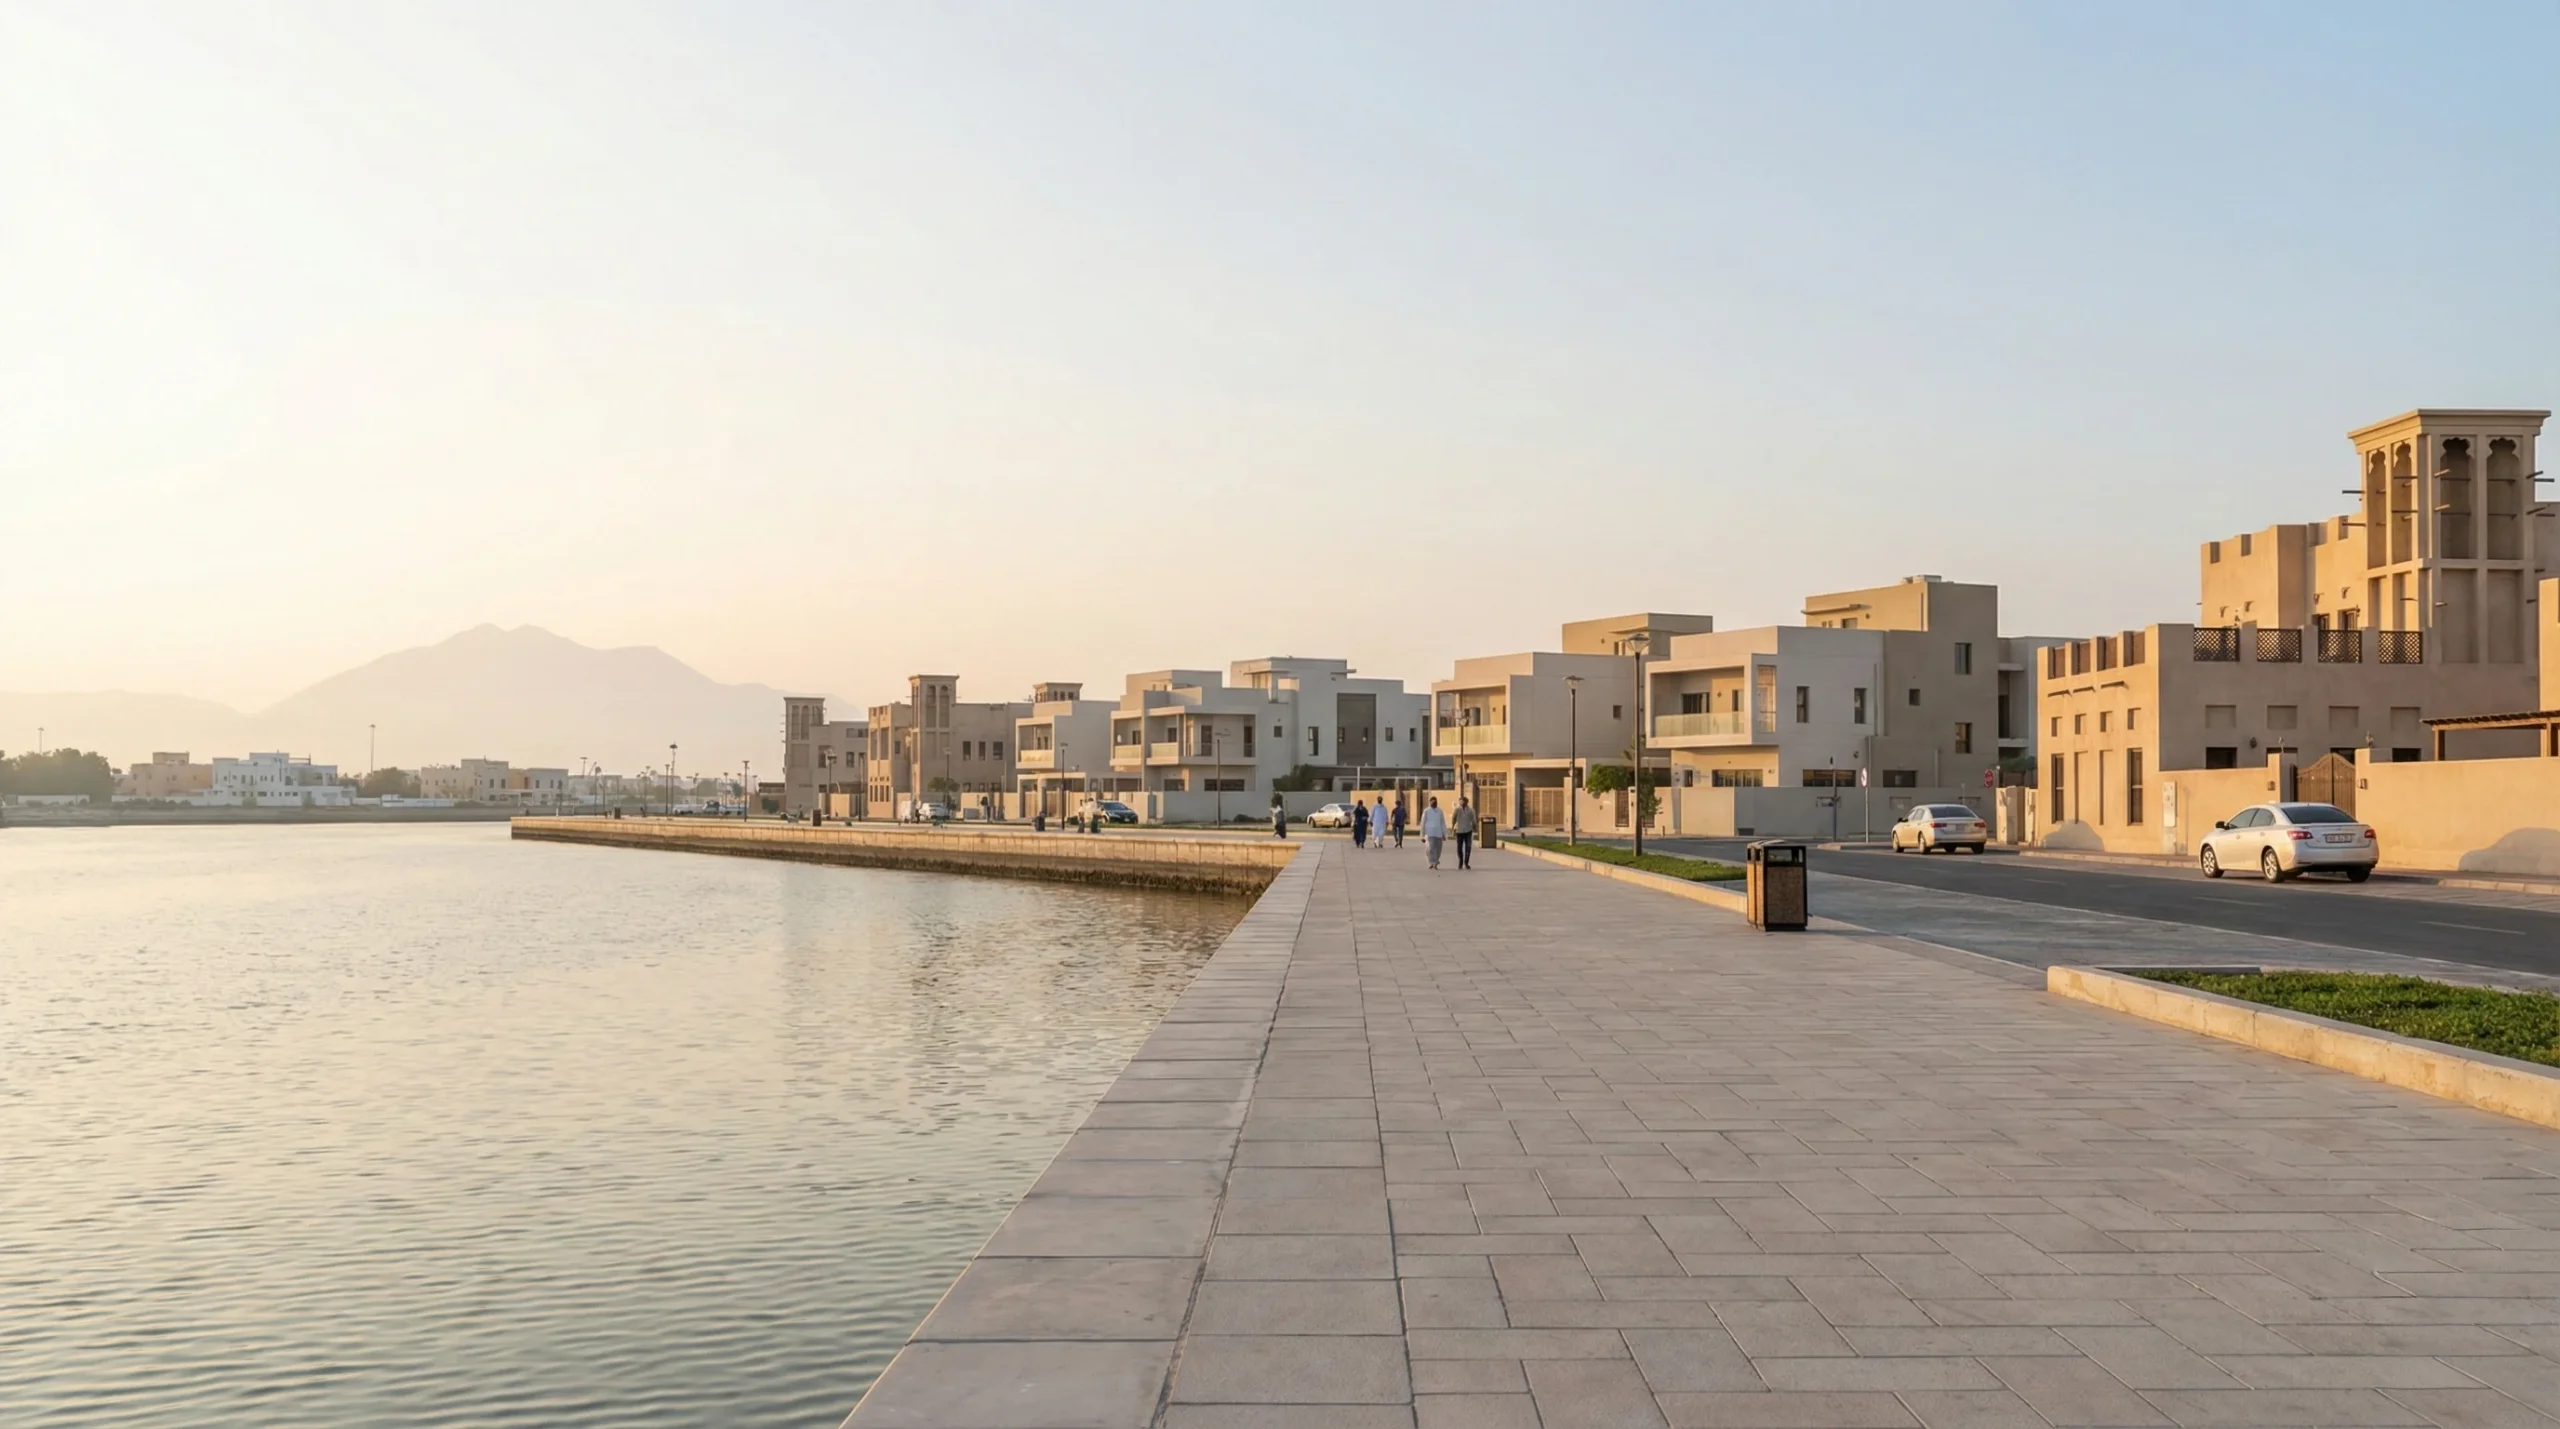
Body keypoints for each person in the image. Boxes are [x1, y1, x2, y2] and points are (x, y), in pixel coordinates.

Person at [1451, 796, 1478, 869]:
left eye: (1462, 801)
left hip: (1468, 831)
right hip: (1459, 831)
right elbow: (1453, 819)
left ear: (1466, 802)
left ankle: (1466, 862)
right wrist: (1453, 828)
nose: (1461, 802)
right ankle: (1460, 861)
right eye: (1460, 801)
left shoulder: (1471, 810)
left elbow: (1474, 820)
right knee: (1459, 848)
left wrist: (1475, 828)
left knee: (1468, 847)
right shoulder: (1457, 810)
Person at [1422, 796, 1447, 870]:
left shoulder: (1440, 811)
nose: (1433, 802)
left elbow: (1443, 823)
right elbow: (1423, 823)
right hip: (1429, 833)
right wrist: (1422, 835)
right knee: (1429, 849)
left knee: (1438, 849)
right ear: (1429, 802)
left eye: (1435, 801)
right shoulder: (1426, 811)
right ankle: (1432, 862)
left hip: (1438, 833)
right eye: (1432, 801)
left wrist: (1444, 834)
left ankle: (1435, 862)